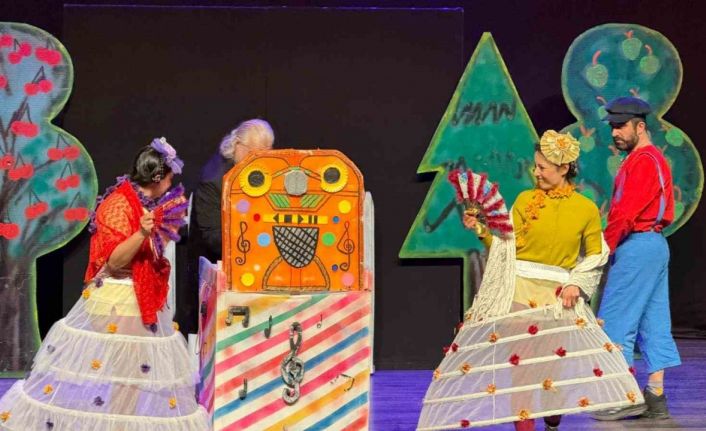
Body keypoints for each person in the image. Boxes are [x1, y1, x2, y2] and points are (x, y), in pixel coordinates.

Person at [416, 131, 642, 431]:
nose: (536, 172)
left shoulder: (585, 209)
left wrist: (576, 284)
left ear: (564, 168)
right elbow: (506, 249)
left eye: (542, 167)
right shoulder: (524, 200)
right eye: (536, 166)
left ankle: (552, 416)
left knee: (551, 370)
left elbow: (596, 255)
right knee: (520, 370)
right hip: (520, 292)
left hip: (558, 298)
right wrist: (482, 230)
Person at [0, 138, 209, 430]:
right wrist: (140, 234)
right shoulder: (118, 204)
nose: (172, 181)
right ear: (157, 177)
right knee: (127, 376)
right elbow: (115, 260)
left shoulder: (142, 203)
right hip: (117, 297)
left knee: (131, 377)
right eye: (170, 176)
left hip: (134, 296)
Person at [591, 97, 680, 421]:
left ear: (640, 127)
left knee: (615, 319)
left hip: (638, 245)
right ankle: (655, 395)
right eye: (612, 127)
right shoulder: (647, 159)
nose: (615, 132)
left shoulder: (643, 160)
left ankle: (623, 396)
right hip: (652, 245)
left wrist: (603, 249)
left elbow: (625, 213)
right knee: (653, 321)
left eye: (621, 126)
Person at [179, 119, 274, 335]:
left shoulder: (262, 173)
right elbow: (213, 237)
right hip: (217, 274)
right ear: (237, 145)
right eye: (254, 153)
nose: (260, 161)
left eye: (265, 154)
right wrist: (256, 247)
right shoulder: (213, 180)